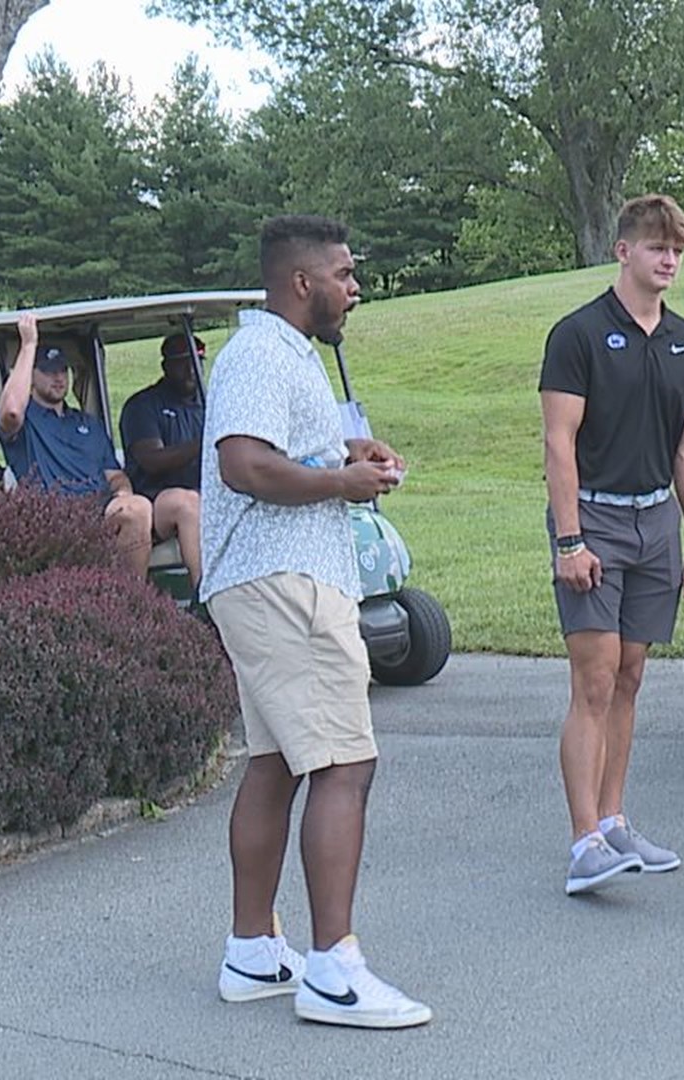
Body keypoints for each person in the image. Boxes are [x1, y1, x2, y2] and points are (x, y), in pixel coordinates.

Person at [201, 214, 430, 1030]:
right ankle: (334, 970)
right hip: (285, 582)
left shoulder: (283, 355)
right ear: (302, 283)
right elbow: (244, 463)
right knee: (344, 762)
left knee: (277, 764)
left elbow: (284, 451)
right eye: (343, 273)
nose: (354, 286)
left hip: (268, 579)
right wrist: (340, 486)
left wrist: (347, 454)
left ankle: (254, 951)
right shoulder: (262, 352)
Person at [539, 194, 684, 896]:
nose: (668, 259)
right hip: (594, 519)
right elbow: (559, 441)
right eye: (655, 247)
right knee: (595, 675)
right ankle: (584, 841)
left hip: (656, 522)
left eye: (676, 249)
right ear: (623, 252)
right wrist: (569, 537)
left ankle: (613, 821)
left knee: (632, 673)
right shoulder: (578, 334)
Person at [0, 312, 154, 578]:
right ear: (30, 377)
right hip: (54, 520)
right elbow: (11, 410)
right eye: (47, 371)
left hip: (101, 512)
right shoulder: (25, 424)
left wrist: (123, 492)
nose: (58, 378)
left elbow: (114, 475)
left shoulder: (87, 423)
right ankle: (133, 602)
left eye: (62, 370)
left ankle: (133, 600)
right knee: (138, 509)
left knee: (137, 507)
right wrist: (29, 345)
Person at [119, 332, 205, 587]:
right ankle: (204, 595)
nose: (192, 370)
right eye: (183, 362)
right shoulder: (143, 406)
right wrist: (205, 443)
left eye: (198, 362)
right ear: (166, 366)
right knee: (187, 502)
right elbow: (152, 460)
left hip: (203, 495)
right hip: (155, 502)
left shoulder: (209, 404)